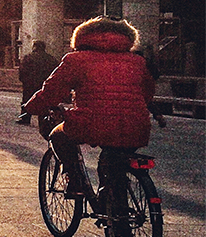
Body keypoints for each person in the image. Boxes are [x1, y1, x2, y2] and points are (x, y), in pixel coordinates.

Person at [23, 16, 163, 200]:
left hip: (93, 122)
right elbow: (147, 92)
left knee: (58, 136)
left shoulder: (76, 59)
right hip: (136, 124)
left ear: (82, 36)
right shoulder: (136, 61)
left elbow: (52, 91)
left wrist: (31, 107)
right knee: (114, 161)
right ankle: (115, 206)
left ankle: (75, 181)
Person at [15, 40, 57, 124]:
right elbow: (55, 72)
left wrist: (24, 81)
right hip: (44, 84)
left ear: (34, 47)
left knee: (27, 101)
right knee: (44, 102)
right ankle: (44, 120)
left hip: (30, 84)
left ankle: (25, 118)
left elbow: (22, 70)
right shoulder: (51, 59)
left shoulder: (28, 57)